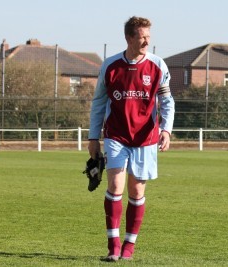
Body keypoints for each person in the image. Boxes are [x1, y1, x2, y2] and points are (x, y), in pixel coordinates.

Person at [87, 16, 175, 262]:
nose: (147, 41)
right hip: (116, 135)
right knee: (115, 186)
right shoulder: (110, 66)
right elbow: (98, 103)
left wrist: (166, 130)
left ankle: (129, 246)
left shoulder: (158, 65)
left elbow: (167, 102)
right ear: (129, 38)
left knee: (136, 192)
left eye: (149, 36)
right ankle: (113, 246)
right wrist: (93, 137)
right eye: (142, 37)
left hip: (146, 138)